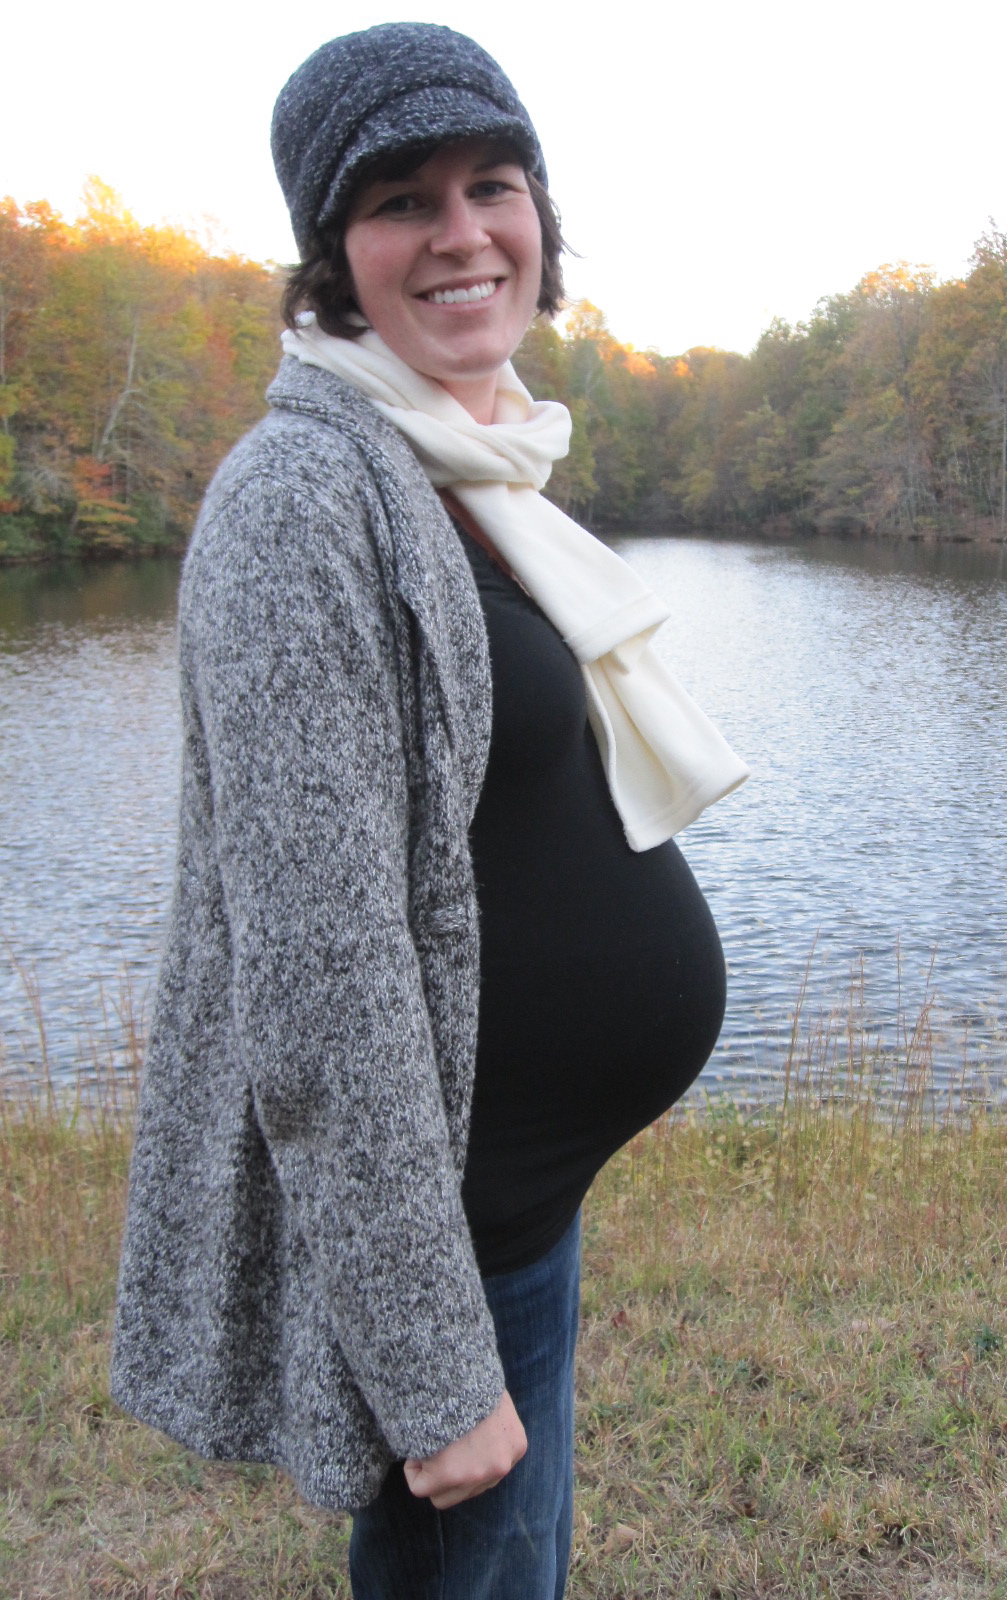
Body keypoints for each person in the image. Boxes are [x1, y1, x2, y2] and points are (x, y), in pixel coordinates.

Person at [110, 22, 747, 1600]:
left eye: (492, 185)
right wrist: (429, 1365)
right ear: (333, 257)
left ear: (542, 213)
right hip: (444, 1254)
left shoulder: (471, 465)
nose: (464, 234)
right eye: (403, 201)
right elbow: (316, 978)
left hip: (516, 1208)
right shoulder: (300, 505)